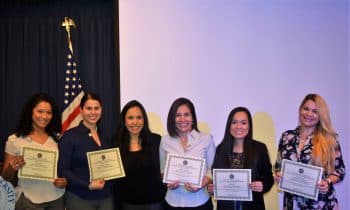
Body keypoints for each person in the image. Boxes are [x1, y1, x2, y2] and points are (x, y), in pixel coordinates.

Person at [274, 93, 346, 209]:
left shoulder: (330, 140)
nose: (309, 114)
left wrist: (327, 182)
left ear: (320, 115)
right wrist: (278, 176)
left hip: (321, 204)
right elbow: (278, 166)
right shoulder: (287, 136)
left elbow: (340, 170)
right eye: (306, 109)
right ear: (300, 110)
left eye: (315, 111)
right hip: (292, 204)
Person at [1, 92, 67, 210]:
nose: (44, 116)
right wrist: (12, 167)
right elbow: (5, 177)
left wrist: (65, 181)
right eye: (40, 111)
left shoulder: (58, 139)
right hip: (28, 201)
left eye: (49, 113)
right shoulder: (14, 140)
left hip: (57, 198)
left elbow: (63, 169)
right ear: (31, 111)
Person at [208, 106, 273, 210]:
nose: (238, 126)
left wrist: (263, 185)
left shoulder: (260, 148)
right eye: (234, 122)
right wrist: (213, 188)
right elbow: (216, 179)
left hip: (253, 206)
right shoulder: (220, 150)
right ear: (229, 125)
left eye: (243, 123)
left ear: (249, 126)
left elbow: (269, 178)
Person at [58, 92, 114, 210]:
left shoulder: (106, 138)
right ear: (81, 110)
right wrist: (88, 185)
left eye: (96, 108)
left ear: (101, 110)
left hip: (105, 198)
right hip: (80, 197)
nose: (93, 112)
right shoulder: (69, 136)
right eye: (89, 108)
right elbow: (63, 170)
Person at [159, 97, 216, 210]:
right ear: (172, 119)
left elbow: (212, 169)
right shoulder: (165, 140)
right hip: (172, 202)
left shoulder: (206, 139)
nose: (182, 119)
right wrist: (167, 182)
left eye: (186, 114)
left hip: (200, 202)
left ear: (193, 118)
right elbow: (162, 170)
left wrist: (203, 182)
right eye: (178, 115)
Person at [116, 100, 165, 210]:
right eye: (130, 118)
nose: (135, 122)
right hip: (127, 205)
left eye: (139, 117)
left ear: (144, 120)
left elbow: (163, 170)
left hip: (154, 204)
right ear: (124, 121)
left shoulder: (156, 140)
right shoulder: (115, 144)